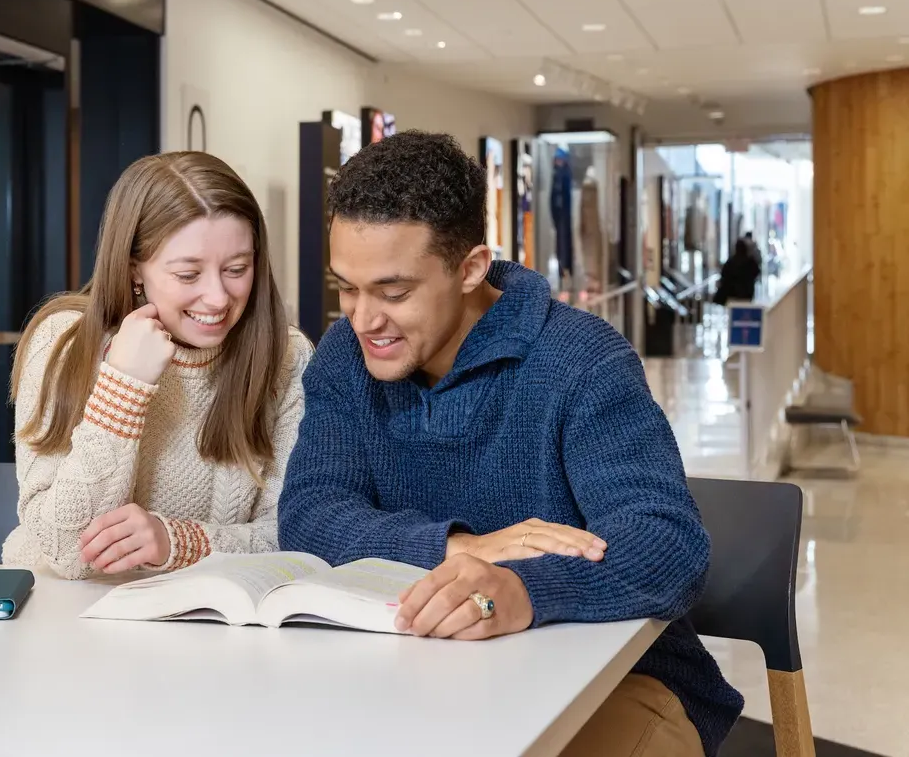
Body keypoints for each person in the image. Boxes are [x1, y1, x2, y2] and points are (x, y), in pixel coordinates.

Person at [277, 131, 743, 757]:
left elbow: (666, 546)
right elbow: (308, 516)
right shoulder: (344, 358)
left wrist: (524, 590)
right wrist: (458, 549)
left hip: (619, 683)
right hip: (410, 675)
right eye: (346, 289)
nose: (363, 320)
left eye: (393, 293)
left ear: (470, 268)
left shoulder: (582, 360)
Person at [3, 152, 313, 579]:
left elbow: (294, 535)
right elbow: (63, 552)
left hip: (208, 621)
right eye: (188, 275)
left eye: (237, 269)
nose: (218, 297)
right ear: (135, 269)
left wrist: (177, 543)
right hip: (62, 614)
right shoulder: (65, 343)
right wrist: (123, 388)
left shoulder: (286, 357)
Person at [713, 238, 760, 304]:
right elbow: (756, 272)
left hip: (732, 295)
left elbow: (724, 277)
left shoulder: (730, 262)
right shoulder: (750, 262)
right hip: (746, 295)